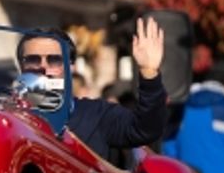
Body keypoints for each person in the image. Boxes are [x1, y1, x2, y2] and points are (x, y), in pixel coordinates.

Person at [17, 18, 166, 162]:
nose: (43, 68)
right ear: (21, 67)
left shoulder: (98, 116)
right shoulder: (9, 118)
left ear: (71, 67)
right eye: (33, 60)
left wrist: (149, 72)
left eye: (54, 60)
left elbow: (145, 130)